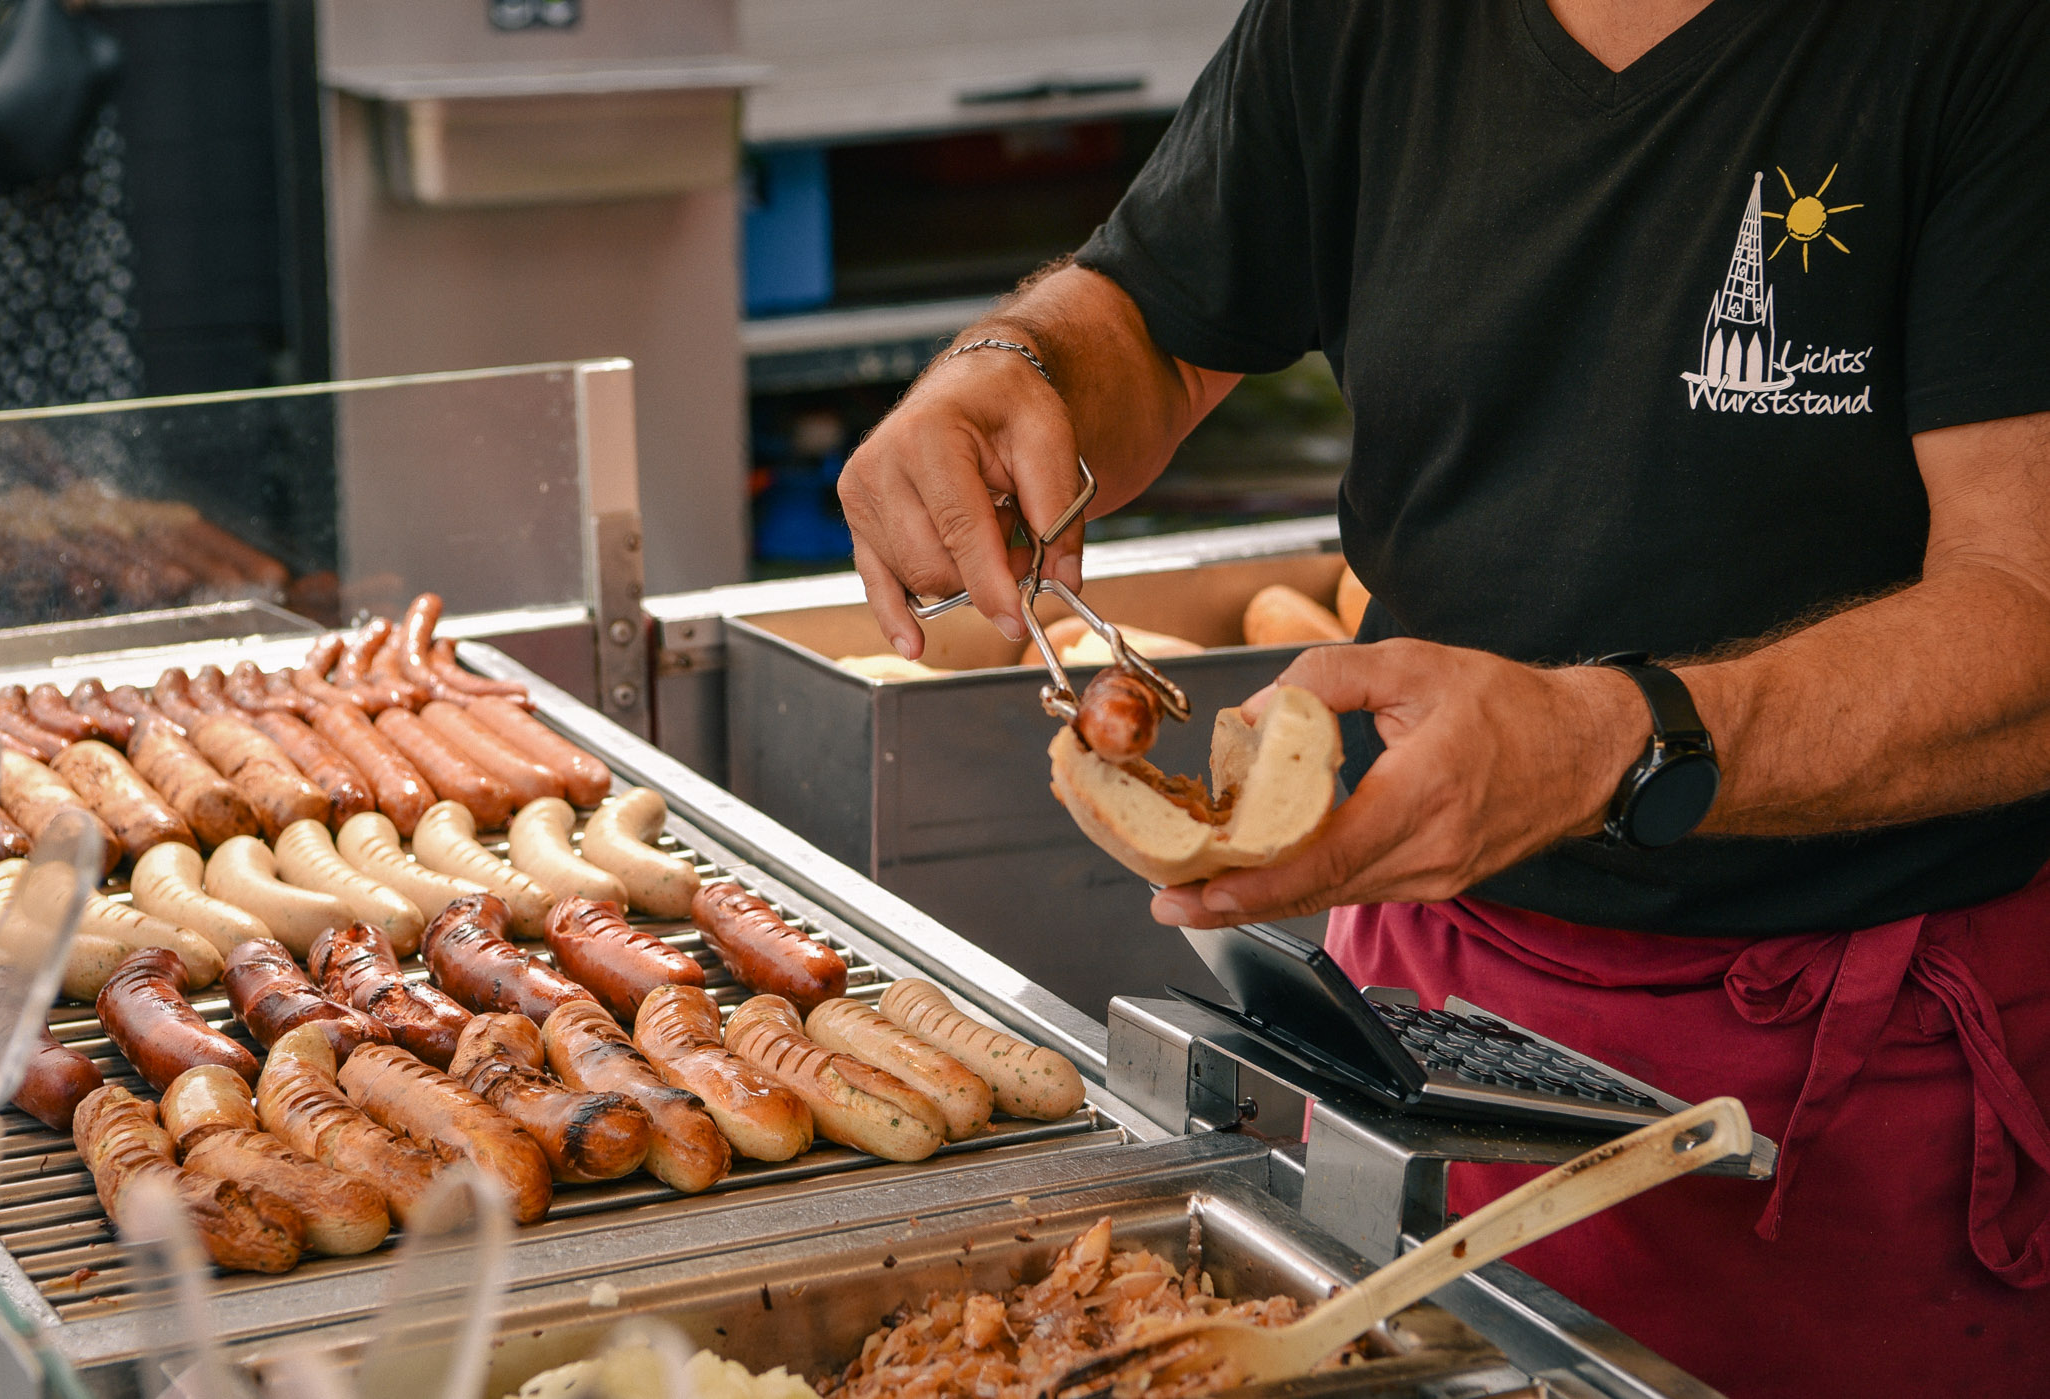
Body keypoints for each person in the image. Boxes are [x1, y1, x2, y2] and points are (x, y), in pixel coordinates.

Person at [836, 1, 2050, 1394]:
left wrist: (1613, 740)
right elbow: (1156, 324)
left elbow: (2031, 612)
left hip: (1859, 1083)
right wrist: (1012, 372)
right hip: (1425, 1021)